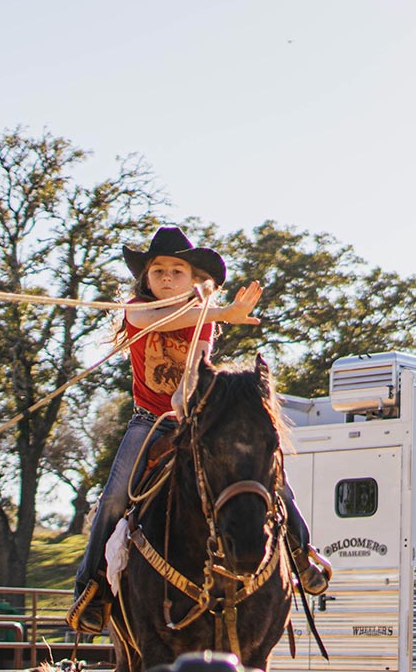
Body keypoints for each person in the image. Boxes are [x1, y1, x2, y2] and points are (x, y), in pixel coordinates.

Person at [67, 226, 330, 637]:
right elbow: (151, 319)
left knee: (269, 478)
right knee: (115, 496)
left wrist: (212, 319)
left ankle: (300, 553)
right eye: (158, 271)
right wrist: (222, 312)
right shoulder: (137, 308)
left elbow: (193, 376)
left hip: (191, 418)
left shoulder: (202, 322)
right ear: (146, 279)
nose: (167, 278)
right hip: (147, 422)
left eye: (177, 270)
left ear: (194, 279)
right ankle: (91, 586)